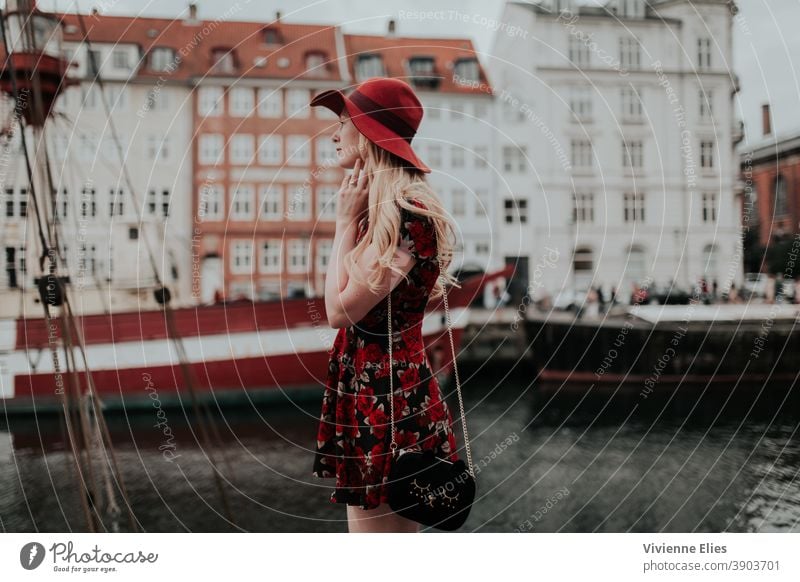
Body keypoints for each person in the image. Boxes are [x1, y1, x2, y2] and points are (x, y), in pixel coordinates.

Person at [309, 78, 461, 533]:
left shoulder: (406, 219)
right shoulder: (384, 218)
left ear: (371, 135)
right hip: (369, 391)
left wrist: (341, 225)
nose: (334, 135)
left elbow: (339, 311)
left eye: (343, 123)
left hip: (387, 398)